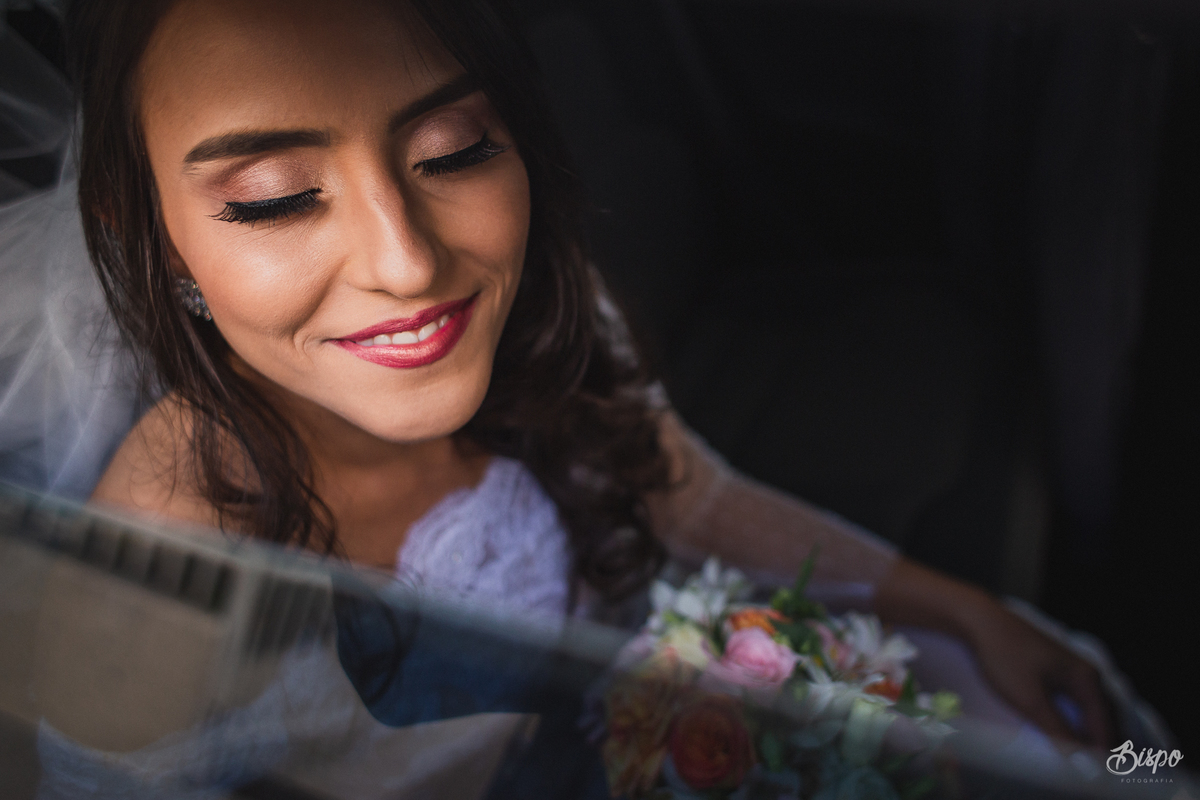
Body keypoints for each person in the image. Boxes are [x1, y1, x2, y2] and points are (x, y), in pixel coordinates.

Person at [64, 0, 1110, 760]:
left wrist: (971, 609)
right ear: (147, 234)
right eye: (276, 198)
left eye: (455, 148)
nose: (409, 263)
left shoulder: (530, 307)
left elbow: (690, 494)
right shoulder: (152, 576)